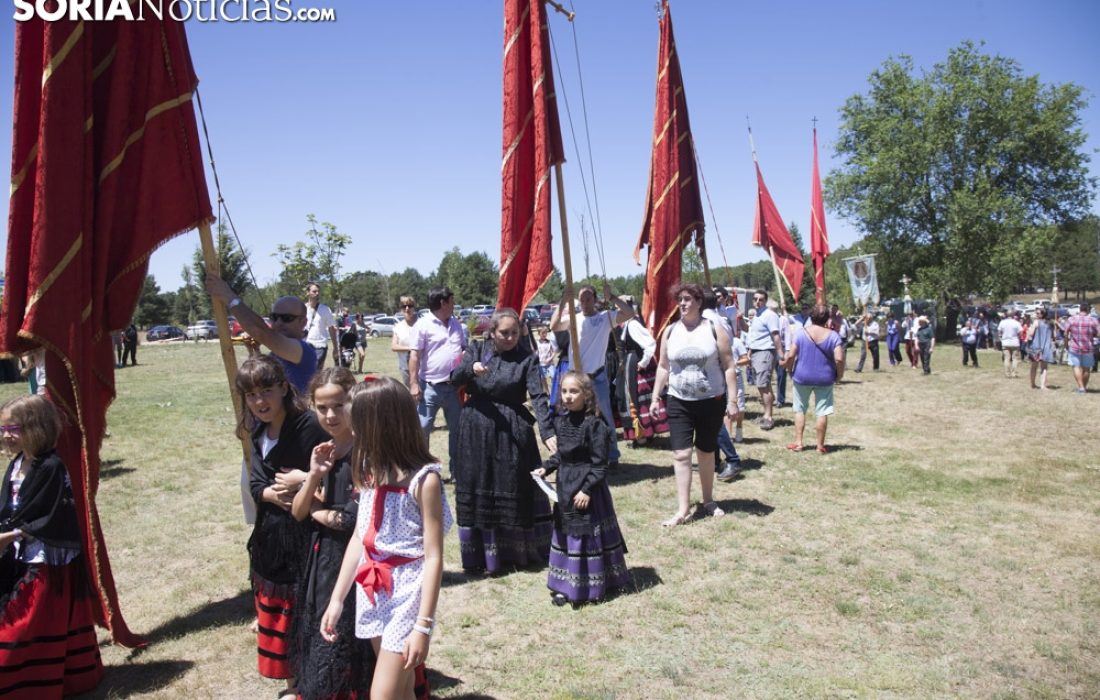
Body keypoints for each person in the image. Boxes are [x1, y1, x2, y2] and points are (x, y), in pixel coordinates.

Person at [321, 377, 453, 700]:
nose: (353, 430)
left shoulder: (424, 480)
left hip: (407, 592)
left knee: (383, 695)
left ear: (380, 425)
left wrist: (423, 625)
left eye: (358, 423)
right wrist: (337, 598)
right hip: (373, 588)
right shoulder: (371, 469)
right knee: (402, 690)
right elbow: (360, 537)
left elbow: (434, 557)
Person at [235, 356, 328, 699]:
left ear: (284, 388)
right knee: (282, 615)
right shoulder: (259, 431)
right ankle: (292, 685)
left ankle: (311, 684)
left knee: (304, 611)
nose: (259, 401)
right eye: (251, 395)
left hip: (306, 537)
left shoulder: (309, 427)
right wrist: (271, 494)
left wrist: (303, 480)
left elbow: (333, 476)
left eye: (266, 391)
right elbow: (256, 483)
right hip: (272, 538)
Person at [0, 395, 104, 697]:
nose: (6, 435)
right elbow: (12, 508)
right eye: (3, 429)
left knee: (22, 624)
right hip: (19, 556)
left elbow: (50, 516)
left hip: (45, 561)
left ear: (35, 428)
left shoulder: (51, 467)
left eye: (12, 429)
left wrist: (11, 536)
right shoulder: (17, 464)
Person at [289, 368, 375, 700]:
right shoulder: (324, 449)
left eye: (338, 406)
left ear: (353, 401)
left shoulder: (365, 452)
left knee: (350, 635)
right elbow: (298, 512)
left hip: (353, 558)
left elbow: (352, 520)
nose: (330, 415)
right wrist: (312, 475)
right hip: (322, 557)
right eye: (322, 408)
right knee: (324, 627)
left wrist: (316, 511)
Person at [450, 309, 555, 574]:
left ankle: (517, 551)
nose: (509, 338)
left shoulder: (527, 358)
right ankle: (481, 555)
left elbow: (538, 396)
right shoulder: (477, 349)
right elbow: (454, 378)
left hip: (512, 429)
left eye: (514, 333)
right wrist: (470, 369)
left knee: (512, 484)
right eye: (504, 333)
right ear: (492, 332)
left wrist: (547, 432)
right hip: (476, 427)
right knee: (480, 483)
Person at [534, 371, 629, 606]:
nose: (567, 396)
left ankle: (592, 585)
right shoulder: (561, 421)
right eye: (564, 391)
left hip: (588, 489)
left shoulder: (595, 425)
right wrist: (546, 467)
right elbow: (562, 455)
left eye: (574, 391)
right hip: (566, 487)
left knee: (585, 533)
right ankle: (564, 585)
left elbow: (600, 464)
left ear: (586, 394)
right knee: (566, 531)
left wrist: (586, 490)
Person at [650, 284, 739, 526]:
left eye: (688, 299)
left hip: (711, 401)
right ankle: (683, 509)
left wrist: (732, 400)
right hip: (678, 400)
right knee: (681, 454)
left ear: (699, 302)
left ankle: (708, 500)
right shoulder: (670, 331)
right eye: (680, 299)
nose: (683, 303)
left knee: (706, 452)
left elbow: (729, 366)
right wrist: (655, 397)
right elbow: (663, 367)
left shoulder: (713, 329)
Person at [551, 283, 634, 465]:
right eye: (582, 299)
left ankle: (612, 456)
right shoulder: (574, 319)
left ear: (595, 300)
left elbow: (629, 313)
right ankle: (579, 454)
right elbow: (554, 325)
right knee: (575, 417)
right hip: (576, 379)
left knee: (605, 417)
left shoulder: (605, 318)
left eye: (588, 299)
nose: (585, 303)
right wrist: (564, 300)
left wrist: (612, 297)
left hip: (597, 377)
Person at [205, 275, 318, 393]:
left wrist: (229, 297)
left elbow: (260, 331)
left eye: (287, 318)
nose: (278, 323)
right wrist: (254, 350)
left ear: (303, 322)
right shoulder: (276, 353)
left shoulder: (304, 351)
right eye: (274, 317)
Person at [408, 288, 466, 479]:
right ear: (443, 303)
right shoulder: (423, 325)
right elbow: (414, 356)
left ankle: (457, 472)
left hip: (454, 388)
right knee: (422, 429)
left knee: (457, 431)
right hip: (429, 388)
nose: (454, 304)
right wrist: (414, 384)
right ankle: (422, 472)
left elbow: (463, 349)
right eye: (452, 301)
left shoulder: (456, 324)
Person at [782, 305, 845, 453]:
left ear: (811, 317)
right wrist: (839, 375)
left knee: (799, 409)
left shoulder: (801, 333)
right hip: (824, 378)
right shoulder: (833, 336)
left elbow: (791, 356)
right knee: (822, 411)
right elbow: (839, 359)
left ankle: (798, 442)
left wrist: (789, 370)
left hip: (802, 376)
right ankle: (820, 446)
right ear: (827, 318)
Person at [615, 302, 668, 445]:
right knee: (632, 398)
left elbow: (650, 344)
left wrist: (643, 362)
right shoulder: (627, 324)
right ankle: (642, 434)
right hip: (630, 363)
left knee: (636, 398)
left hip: (636, 365)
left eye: (620, 309)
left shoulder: (633, 324)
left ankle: (643, 434)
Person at [745, 289, 781, 430]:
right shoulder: (757, 315)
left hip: (765, 352)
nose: (757, 302)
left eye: (761, 299)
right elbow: (754, 336)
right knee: (763, 384)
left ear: (765, 301)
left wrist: (781, 353)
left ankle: (768, 417)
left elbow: (776, 335)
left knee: (763, 385)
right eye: (755, 299)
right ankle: (766, 414)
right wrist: (750, 352)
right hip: (756, 352)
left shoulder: (770, 315)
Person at [1065, 303, 1099, 393]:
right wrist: (1093, 335)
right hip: (1088, 347)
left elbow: (1065, 333)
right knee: (1087, 368)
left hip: (1075, 347)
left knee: (1076, 366)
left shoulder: (1071, 319)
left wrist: (1066, 343)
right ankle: (1083, 387)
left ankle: (1081, 387)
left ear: (1080, 309)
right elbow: (1099, 333)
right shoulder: (1093, 320)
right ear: (1088, 310)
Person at [305, 282, 339, 371]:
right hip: (306, 345)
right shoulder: (302, 309)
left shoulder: (325, 309)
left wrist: (335, 348)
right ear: (307, 293)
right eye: (314, 291)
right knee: (306, 371)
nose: (317, 293)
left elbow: (331, 328)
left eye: (318, 291)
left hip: (320, 346)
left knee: (315, 371)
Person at [391, 296, 418, 387]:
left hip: (421, 367)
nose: (407, 308)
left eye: (410, 306)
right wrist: (410, 348)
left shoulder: (421, 324)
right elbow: (394, 347)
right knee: (409, 392)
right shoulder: (398, 327)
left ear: (414, 307)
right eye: (404, 306)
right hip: (405, 368)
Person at [1027, 308, 1055, 390]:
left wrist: (1029, 330)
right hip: (1046, 346)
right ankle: (1042, 385)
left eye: (1038, 313)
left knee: (1034, 366)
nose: (1036, 314)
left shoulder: (1036, 322)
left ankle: (1033, 384)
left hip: (1036, 346)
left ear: (1042, 314)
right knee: (1044, 367)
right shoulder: (1050, 323)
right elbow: (1054, 335)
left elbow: (1031, 333)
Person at [999, 311, 1023, 378]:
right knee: (1015, 359)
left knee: (1007, 358)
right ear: (1013, 315)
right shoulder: (1016, 323)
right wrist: (1018, 337)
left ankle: (1007, 373)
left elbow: (999, 332)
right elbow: (1021, 332)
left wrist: (1001, 338)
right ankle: (1014, 373)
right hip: (1015, 342)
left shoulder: (1002, 322)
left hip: (1005, 342)